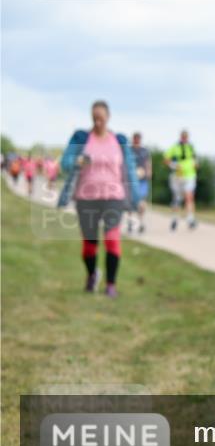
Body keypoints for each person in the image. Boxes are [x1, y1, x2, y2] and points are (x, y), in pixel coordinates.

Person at [57, 100, 140, 298]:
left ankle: (111, 285)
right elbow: (65, 163)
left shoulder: (119, 141)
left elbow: (129, 170)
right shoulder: (81, 138)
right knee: (89, 244)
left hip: (114, 197)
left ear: (108, 117)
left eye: (101, 118)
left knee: (112, 239)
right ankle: (92, 275)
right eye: (94, 118)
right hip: (86, 198)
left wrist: (137, 198)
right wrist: (77, 161)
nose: (98, 122)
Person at [165, 129, 198, 231]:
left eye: (186, 137)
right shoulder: (174, 147)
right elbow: (166, 159)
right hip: (178, 176)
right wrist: (174, 165)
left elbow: (195, 159)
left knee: (189, 196)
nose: (184, 138)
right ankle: (175, 218)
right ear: (180, 137)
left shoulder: (191, 147)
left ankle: (190, 218)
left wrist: (195, 164)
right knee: (177, 198)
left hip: (190, 175)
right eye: (183, 136)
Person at [127, 132, 152, 234]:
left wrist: (149, 172)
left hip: (142, 180)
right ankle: (131, 222)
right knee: (131, 202)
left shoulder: (144, 151)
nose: (136, 140)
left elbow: (148, 163)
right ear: (133, 139)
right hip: (131, 180)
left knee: (142, 202)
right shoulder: (128, 150)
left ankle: (141, 222)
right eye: (135, 138)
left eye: (138, 139)